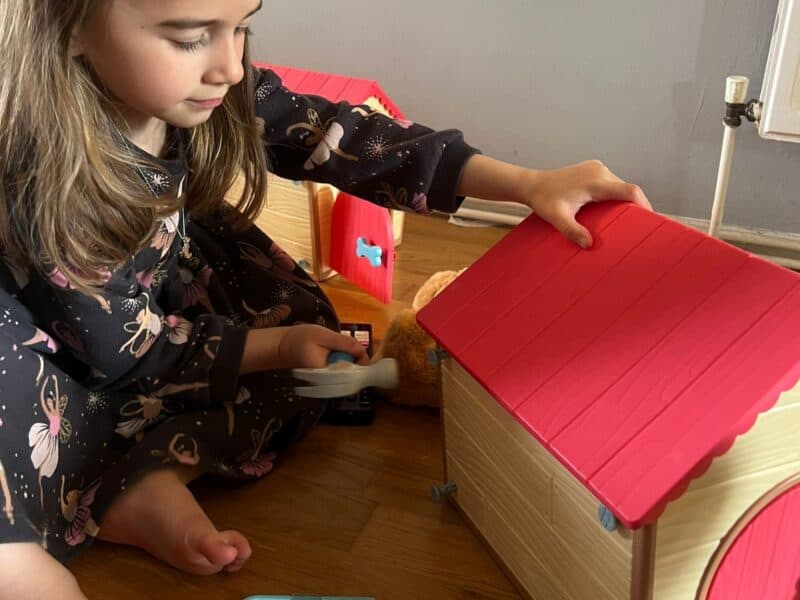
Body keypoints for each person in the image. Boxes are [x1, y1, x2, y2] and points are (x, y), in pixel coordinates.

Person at [0, 1, 651, 598]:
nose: (230, 65)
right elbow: (126, 354)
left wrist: (527, 183)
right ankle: (37, 544)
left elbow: (339, 136)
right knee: (29, 472)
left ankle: (143, 479)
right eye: (193, 37)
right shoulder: (42, 182)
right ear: (68, 27)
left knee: (311, 357)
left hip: (151, 309)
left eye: (242, 26)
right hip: (62, 354)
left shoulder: (202, 89)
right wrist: (269, 347)